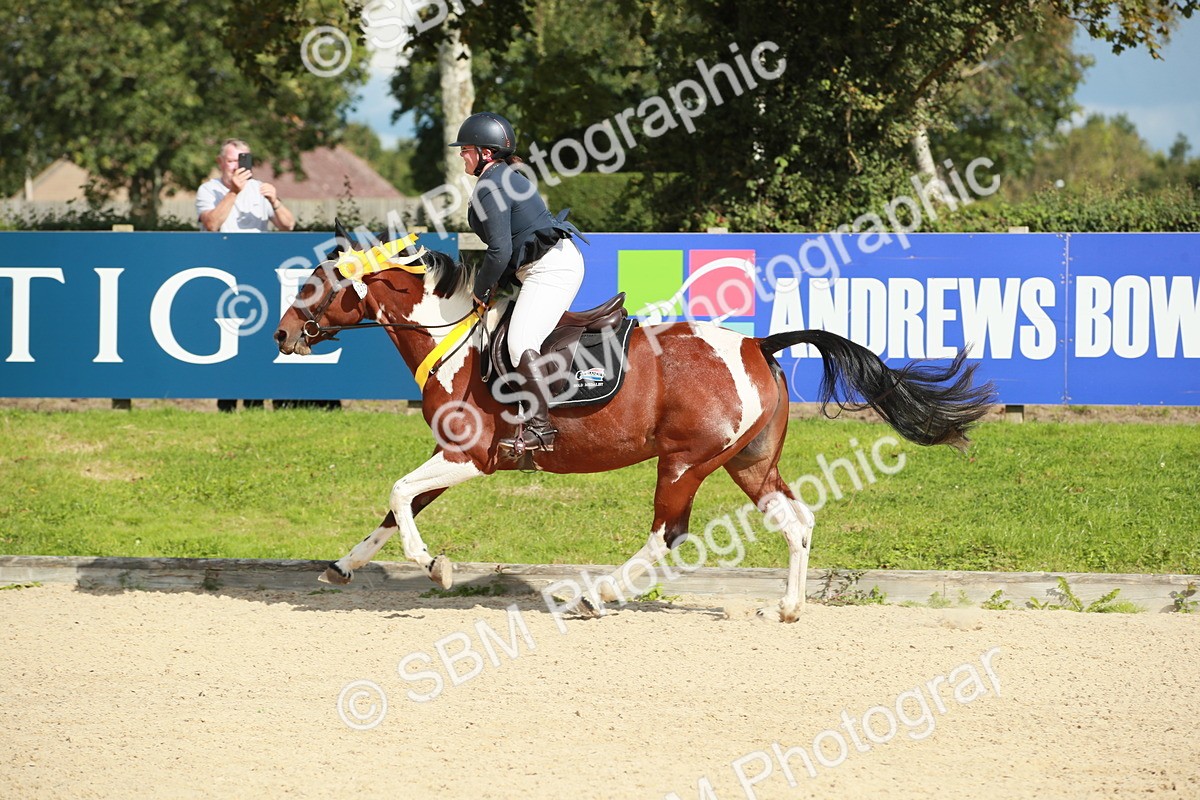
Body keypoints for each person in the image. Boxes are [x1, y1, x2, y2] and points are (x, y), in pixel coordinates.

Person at [451, 112, 587, 453]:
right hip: (544, 265)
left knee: (519, 341)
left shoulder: (492, 184)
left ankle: (541, 429)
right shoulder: (499, 177)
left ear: (485, 153)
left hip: (549, 269)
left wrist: (480, 291)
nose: (461, 155)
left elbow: (499, 250)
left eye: (465, 149)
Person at [197, 138, 296, 412]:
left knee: (258, 338)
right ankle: (226, 402)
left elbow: (288, 225)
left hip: (257, 272)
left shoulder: (260, 189)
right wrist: (233, 192)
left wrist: (275, 201)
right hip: (222, 273)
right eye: (232, 160)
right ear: (220, 162)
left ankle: (255, 402)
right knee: (225, 336)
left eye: (243, 159)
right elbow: (212, 224)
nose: (237, 166)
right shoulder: (209, 189)